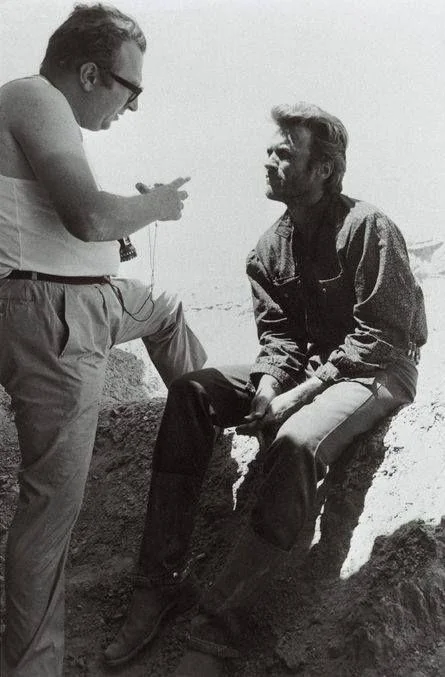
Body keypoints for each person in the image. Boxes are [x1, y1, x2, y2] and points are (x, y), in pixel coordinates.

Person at [104, 102, 427, 676]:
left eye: (284, 152)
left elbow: (384, 336)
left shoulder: (367, 227)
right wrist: (269, 385)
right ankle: (158, 585)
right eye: (269, 151)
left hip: (377, 370)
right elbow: (279, 339)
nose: (269, 162)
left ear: (324, 168)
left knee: (296, 443)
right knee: (191, 393)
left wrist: (294, 398)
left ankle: (219, 626)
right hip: (310, 372)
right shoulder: (267, 248)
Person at [0, 4, 207, 676]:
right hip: (54, 319)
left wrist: (118, 227)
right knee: (51, 512)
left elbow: (67, 217)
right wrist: (152, 207)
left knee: (167, 310)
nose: (133, 106)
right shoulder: (34, 96)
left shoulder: (39, 111)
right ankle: (34, 667)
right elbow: (87, 213)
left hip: (85, 302)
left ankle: (210, 420)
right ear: (90, 72)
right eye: (130, 89)